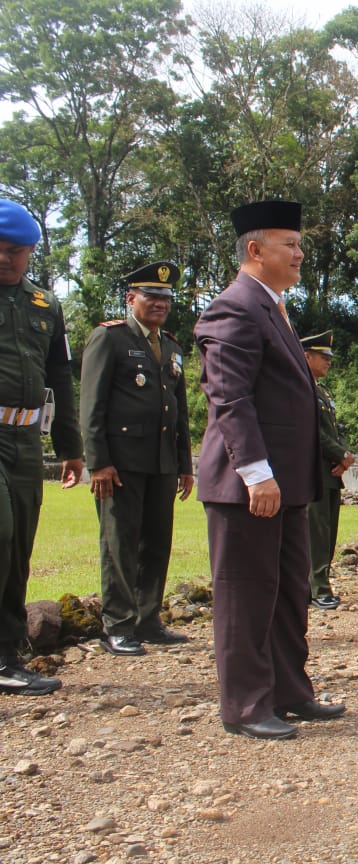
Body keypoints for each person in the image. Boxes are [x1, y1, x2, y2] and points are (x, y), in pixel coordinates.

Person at [195, 199, 344, 740]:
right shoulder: (232, 308)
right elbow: (230, 397)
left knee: (287, 591)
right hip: (250, 485)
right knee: (246, 593)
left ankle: (288, 690)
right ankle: (245, 704)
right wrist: (256, 472)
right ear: (255, 250)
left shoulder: (273, 306)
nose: (300, 253)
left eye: (299, 244)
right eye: (291, 244)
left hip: (289, 482)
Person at [79, 261, 193, 657]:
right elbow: (91, 405)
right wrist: (98, 462)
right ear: (131, 299)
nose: (160, 303)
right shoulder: (109, 339)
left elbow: (179, 410)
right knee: (119, 544)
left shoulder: (173, 346)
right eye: (152, 296)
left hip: (161, 462)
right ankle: (118, 624)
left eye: (166, 297)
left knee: (157, 543)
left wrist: (184, 464)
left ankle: (147, 619)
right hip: (121, 463)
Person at [0, 199, 83, 696]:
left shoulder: (44, 305)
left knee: (18, 549)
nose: (6, 259)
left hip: (26, 439)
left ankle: (7, 655)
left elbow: (60, 379)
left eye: (16, 251)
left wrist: (70, 447)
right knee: (0, 533)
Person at [302, 331, 354, 610]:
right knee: (316, 532)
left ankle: (321, 582)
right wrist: (340, 454)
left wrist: (344, 455)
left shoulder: (322, 391)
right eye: (323, 357)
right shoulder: (300, 388)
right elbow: (312, 432)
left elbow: (335, 430)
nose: (328, 362)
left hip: (331, 471)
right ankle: (316, 587)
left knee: (328, 530)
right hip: (312, 471)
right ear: (306, 356)